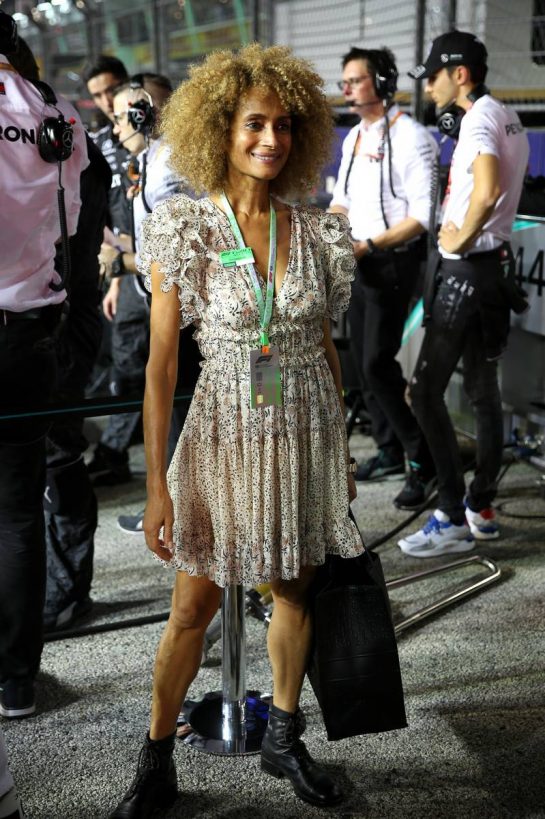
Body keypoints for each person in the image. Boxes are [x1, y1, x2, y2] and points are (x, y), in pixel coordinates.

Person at [109, 44, 362, 818]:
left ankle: (283, 735)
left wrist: (340, 454)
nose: (270, 139)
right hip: (219, 436)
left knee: (293, 591)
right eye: (254, 123)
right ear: (220, 128)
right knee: (192, 608)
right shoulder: (185, 227)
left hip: (300, 434)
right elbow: (159, 368)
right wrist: (157, 484)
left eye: (283, 125)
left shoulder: (314, 232)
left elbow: (324, 348)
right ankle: (156, 757)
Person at [398, 31, 529, 557]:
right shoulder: (505, 115)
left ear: (460, 75)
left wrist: (459, 237)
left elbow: (488, 188)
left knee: (424, 392)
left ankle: (451, 514)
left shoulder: (477, 120)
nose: (428, 86)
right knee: (482, 392)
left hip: (466, 272)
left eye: (434, 76)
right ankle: (480, 505)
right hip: (490, 272)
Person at [0, 10, 88, 716]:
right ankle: (16, 679)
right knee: (17, 514)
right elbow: (73, 220)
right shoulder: (58, 114)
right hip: (29, 330)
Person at [329, 47, 438, 510]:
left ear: (383, 83)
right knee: (360, 361)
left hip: (393, 262)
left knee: (376, 363)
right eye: (344, 82)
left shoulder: (412, 136)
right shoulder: (355, 136)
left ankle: (423, 459)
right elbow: (342, 200)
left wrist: (370, 245)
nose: (347, 89)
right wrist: (329, 232)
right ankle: (390, 448)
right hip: (359, 260)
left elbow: (423, 216)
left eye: (355, 80)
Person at [104, 75, 200, 535]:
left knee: (184, 406)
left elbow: (182, 250)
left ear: (142, 114)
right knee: (175, 406)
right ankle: (175, 510)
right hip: (162, 301)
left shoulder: (169, 163)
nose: (115, 127)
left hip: (187, 307)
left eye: (120, 116)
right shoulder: (146, 162)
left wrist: (124, 260)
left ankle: (182, 514)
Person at [83, 55, 136, 486]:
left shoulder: (148, 138)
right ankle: (114, 450)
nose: (105, 100)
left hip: (151, 262)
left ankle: (115, 450)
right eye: (97, 94)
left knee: (135, 359)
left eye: (111, 89)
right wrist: (116, 269)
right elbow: (96, 209)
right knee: (127, 359)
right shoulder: (97, 141)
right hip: (123, 265)